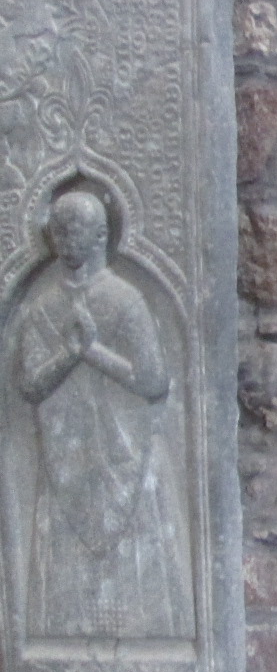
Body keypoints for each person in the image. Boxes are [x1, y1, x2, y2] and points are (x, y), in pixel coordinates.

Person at [15, 190, 193, 639]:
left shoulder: (125, 300)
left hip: (127, 459)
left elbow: (154, 381)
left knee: (139, 584)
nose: (63, 238)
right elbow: (29, 385)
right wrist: (68, 354)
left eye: (73, 228)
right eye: (57, 229)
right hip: (65, 463)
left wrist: (94, 352)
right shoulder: (43, 308)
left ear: (101, 236)